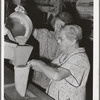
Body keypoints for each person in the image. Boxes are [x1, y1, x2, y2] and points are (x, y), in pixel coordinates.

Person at [27, 25, 90, 100]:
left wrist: (38, 63)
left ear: (73, 40)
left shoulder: (80, 59)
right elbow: (48, 68)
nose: (58, 41)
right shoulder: (64, 55)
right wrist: (28, 64)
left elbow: (56, 75)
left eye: (61, 39)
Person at [31, 12, 74, 89]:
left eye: (61, 26)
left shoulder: (70, 45)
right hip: (37, 83)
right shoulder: (46, 34)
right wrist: (23, 15)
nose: (57, 28)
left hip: (55, 86)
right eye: (56, 24)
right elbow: (29, 29)